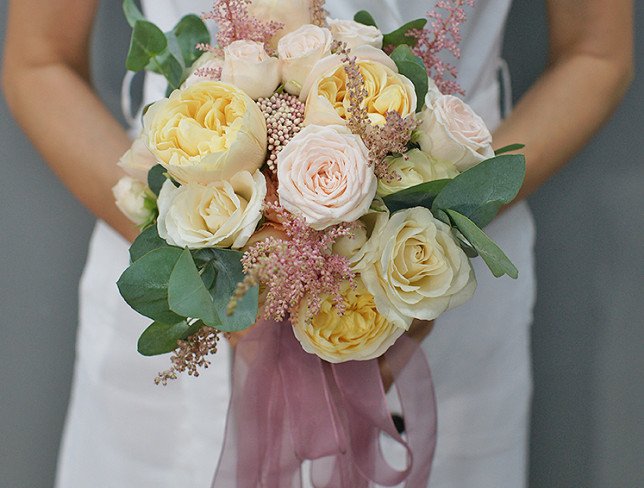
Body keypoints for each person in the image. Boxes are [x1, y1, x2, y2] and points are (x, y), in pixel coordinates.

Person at [2, 0, 633, 486]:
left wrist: (420, 237)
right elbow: (38, 59)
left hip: (439, 292)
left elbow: (597, 52)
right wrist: (219, 268)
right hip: (177, 279)